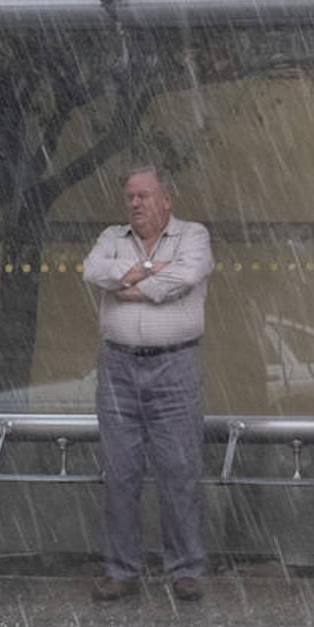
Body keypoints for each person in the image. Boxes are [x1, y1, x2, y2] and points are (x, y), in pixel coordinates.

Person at [82, 165, 213, 602]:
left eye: (143, 196)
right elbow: (92, 272)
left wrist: (132, 283)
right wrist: (151, 270)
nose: (134, 204)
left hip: (175, 367)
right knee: (120, 472)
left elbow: (186, 277)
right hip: (118, 368)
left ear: (166, 200)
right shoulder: (110, 238)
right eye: (130, 197)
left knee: (180, 471)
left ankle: (185, 569)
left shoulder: (193, 236)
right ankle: (120, 570)